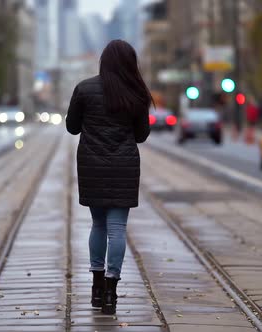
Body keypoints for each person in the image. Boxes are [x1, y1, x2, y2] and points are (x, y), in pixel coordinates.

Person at [65, 40, 153, 315]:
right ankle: (111, 293)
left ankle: (96, 287)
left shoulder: (84, 88)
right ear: (130, 63)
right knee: (117, 229)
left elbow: (71, 127)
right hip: (124, 167)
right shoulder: (136, 93)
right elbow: (140, 135)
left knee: (98, 225)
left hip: (92, 165)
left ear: (103, 61)